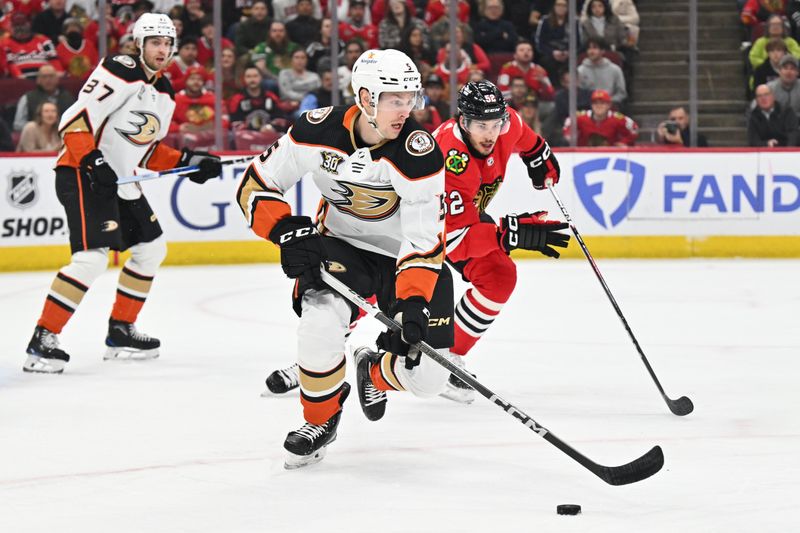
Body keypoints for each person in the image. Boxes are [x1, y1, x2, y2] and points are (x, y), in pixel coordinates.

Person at [262, 81, 568, 407]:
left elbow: (526, 140)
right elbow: (449, 239)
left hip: (459, 222)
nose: (491, 134)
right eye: (481, 125)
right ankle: (315, 362)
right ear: (463, 122)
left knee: (498, 277)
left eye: (496, 124)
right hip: (408, 227)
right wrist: (508, 235)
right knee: (371, 291)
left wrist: (539, 155)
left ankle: (449, 362)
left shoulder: (507, 125)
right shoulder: (449, 158)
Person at [236, 49, 453, 468]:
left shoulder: (420, 152)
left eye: (411, 98)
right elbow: (256, 184)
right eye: (395, 99)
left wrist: (413, 300)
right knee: (319, 323)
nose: (406, 109)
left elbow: (424, 239)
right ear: (366, 97)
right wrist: (283, 228)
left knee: (429, 380)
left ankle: (372, 370)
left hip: (404, 260)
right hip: (343, 245)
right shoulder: (316, 130)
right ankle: (320, 419)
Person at [22, 14, 222, 374]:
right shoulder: (121, 68)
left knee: (151, 249)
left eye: (167, 43)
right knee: (92, 259)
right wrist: (93, 160)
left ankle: (120, 331)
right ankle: (44, 338)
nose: (162, 49)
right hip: (82, 172)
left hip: (120, 181)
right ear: (139, 43)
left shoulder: (164, 93)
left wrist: (191, 162)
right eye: (155, 42)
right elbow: (74, 120)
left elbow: (144, 150)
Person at [230, 65, 294, 133]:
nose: (252, 79)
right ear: (244, 79)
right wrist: (258, 130)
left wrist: (270, 127)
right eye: (248, 76)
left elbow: (281, 119)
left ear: (261, 77)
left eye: (255, 76)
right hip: (247, 139)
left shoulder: (270, 97)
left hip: (269, 138)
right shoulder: (237, 99)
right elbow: (235, 124)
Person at [564, 89, 638, 146]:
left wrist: (623, 142)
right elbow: (568, 123)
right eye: (595, 103)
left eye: (602, 103)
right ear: (591, 105)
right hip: (583, 154)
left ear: (609, 105)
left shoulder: (618, 119)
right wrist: (569, 136)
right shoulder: (581, 117)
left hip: (611, 154)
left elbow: (634, 128)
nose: (599, 106)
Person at [13, 64, 75, 132]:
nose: (48, 80)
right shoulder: (27, 98)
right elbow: (18, 124)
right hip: (36, 137)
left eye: (51, 76)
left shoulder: (68, 97)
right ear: (38, 80)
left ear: (57, 79)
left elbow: (75, 121)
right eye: (44, 77)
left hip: (63, 136)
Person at [577, 37, 628, 107]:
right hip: (588, 107)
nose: (591, 51)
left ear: (602, 51)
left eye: (594, 48)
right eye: (589, 48)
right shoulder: (580, 71)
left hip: (610, 106)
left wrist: (608, 102)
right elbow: (579, 93)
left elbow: (621, 93)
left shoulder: (615, 69)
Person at [767, 53, 800, 118]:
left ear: (797, 72)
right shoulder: (769, 88)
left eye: (792, 68)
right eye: (785, 68)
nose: (788, 72)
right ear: (779, 71)